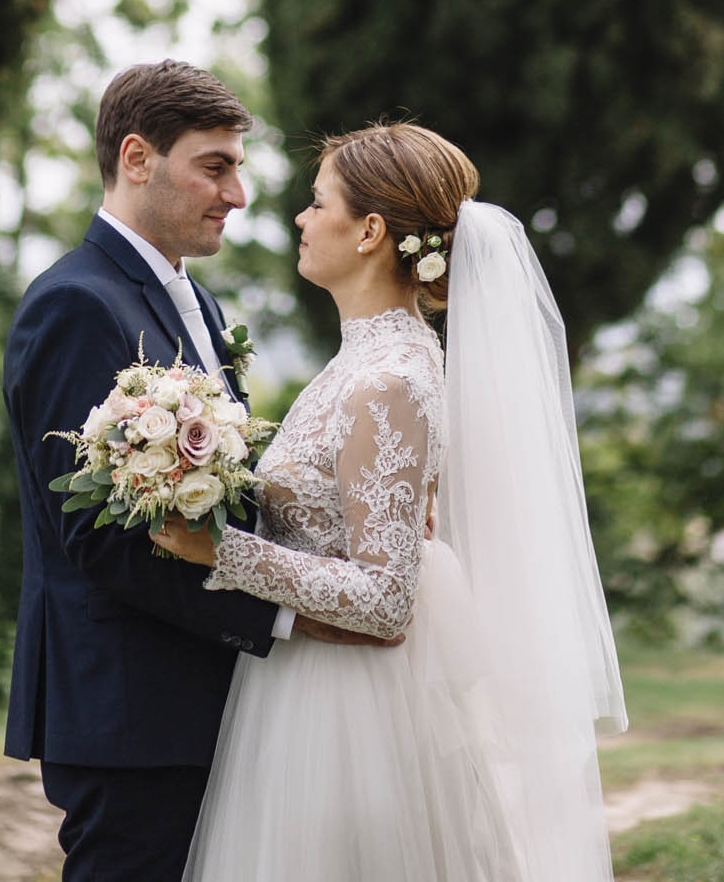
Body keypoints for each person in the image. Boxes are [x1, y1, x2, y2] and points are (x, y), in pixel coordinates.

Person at [152, 120, 628, 882]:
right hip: (304, 686)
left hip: (351, 714)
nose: (300, 220)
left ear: (370, 229)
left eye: (316, 203)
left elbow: (384, 598)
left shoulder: (389, 381)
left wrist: (222, 550)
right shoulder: (364, 362)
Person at [2, 60, 397, 882]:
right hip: (130, 708)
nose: (238, 194)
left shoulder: (200, 306)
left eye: (237, 168)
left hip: (204, 699)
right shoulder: (75, 304)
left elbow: (218, 500)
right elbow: (96, 539)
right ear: (137, 158)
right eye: (213, 167)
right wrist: (285, 622)